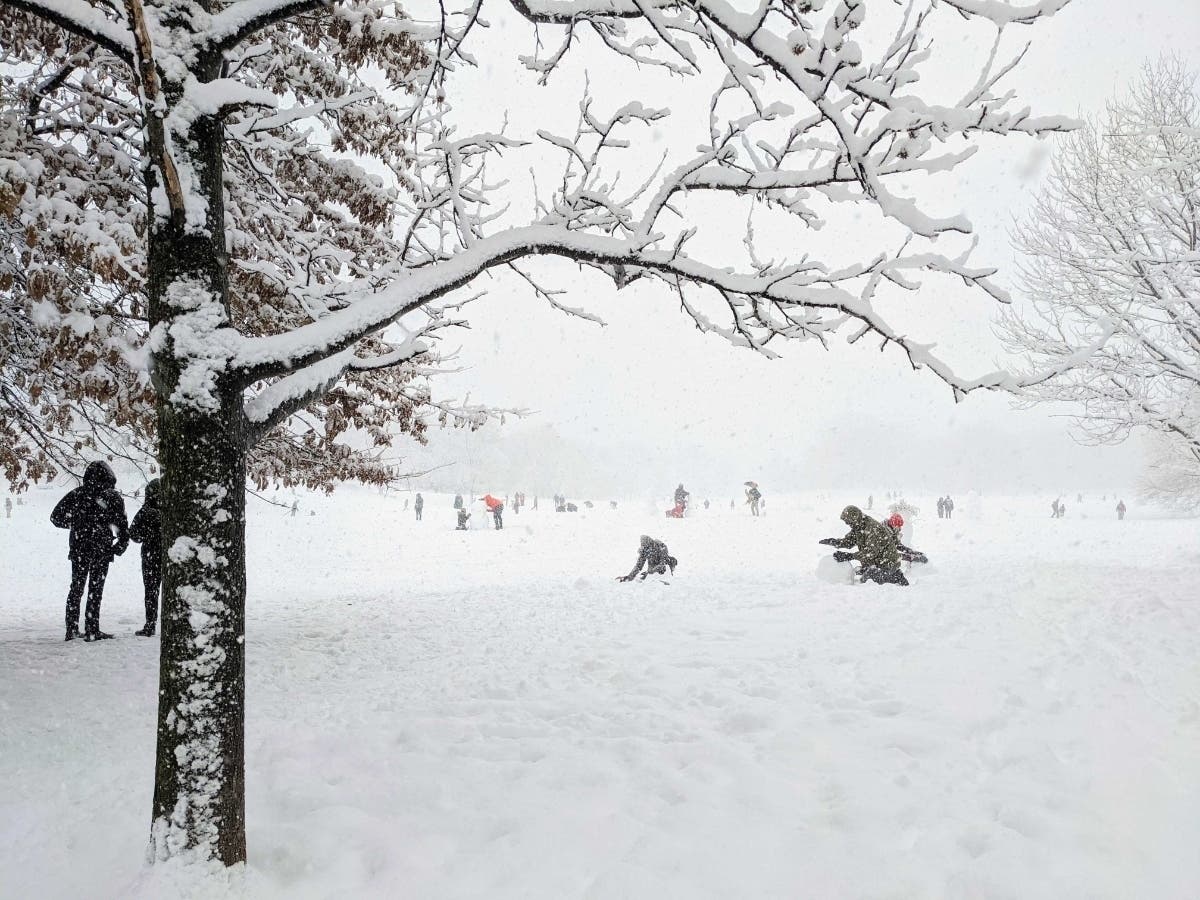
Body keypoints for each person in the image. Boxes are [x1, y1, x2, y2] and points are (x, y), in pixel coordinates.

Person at [50, 461, 129, 641]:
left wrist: (77, 524)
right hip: (101, 549)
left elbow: (56, 517)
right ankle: (92, 628)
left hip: (80, 547)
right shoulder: (112, 497)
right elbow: (122, 525)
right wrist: (120, 544)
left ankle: (72, 629)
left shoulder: (78, 494)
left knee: (77, 588)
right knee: (95, 589)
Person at [819, 504, 907, 586]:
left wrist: (849, 556)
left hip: (887, 564)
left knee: (868, 580)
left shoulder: (872, 528)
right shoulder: (859, 526)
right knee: (862, 575)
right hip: (876, 563)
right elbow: (849, 541)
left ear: (854, 518)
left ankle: (896, 576)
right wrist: (835, 542)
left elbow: (871, 552)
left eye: (848, 522)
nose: (848, 524)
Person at [129, 478, 163, 637]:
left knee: (151, 591)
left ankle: (150, 624)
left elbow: (134, 534)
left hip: (151, 555)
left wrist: (147, 535)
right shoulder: (172, 511)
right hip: (169, 554)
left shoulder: (146, 511)